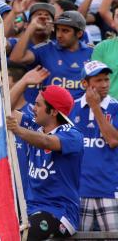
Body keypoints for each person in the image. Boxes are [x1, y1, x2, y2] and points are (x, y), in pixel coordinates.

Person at [6, 85, 84, 240]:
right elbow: (6, 109)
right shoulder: (35, 127)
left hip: (60, 213)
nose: (33, 108)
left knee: (22, 236)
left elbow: (47, 142)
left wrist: (19, 130)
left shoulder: (73, 135)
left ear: (54, 111)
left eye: (38, 105)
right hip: (29, 210)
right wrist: (25, 81)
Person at [69, 60, 118, 232]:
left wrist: (95, 107)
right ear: (85, 84)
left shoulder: (116, 107)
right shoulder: (70, 109)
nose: (104, 84)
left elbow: (113, 140)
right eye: (98, 81)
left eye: (106, 79)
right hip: (78, 191)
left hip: (109, 190)